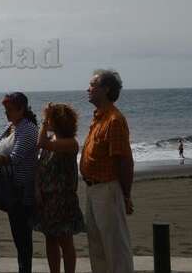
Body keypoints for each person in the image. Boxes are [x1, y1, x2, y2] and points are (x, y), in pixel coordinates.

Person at [0, 92, 38, 273]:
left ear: (21, 109)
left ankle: (24, 270)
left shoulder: (28, 129)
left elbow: (15, 157)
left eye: (10, 110)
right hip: (7, 186)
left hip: (21, 190)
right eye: (5, 109)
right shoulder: (11, 126)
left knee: (22, 238)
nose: (6, 113)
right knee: (18, 234)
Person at [79, 69, 134, 273]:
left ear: (106, 89)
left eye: (93, 85)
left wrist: (126, 195)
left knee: (115, 247)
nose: (88, 89)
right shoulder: (99, 118)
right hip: (93, 188)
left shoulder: (114, 120)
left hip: (108, 188)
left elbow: (125, 161)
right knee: (97, 245)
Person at [35, 103, 85, 273]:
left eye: (49, 119)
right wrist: (37, 189)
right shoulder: (51, 140)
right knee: (50, 238)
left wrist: (43, 122)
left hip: (63, 199)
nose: (46, 122)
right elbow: (40, 166)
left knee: (65, 240)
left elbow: (40, 143)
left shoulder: (70, 143)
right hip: (48, 199)